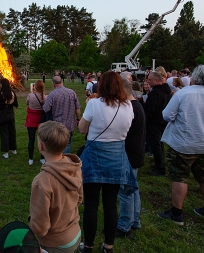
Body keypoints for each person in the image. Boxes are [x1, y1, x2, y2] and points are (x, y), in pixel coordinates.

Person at [78, 71, 137, 253]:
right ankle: (108, 246)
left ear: (101, 86)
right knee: (111, 204)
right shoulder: (128, 106)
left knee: (91, 205)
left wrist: (89, 107)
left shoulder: (94, 104)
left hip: (95, 156)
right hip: (116, 158)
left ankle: (88, 245)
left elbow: (81, 129)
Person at [158, 65, 204, 225]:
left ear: (193, 78)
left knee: (179, 177)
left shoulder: (182, 94)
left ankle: (176, 213)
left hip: (183, 144)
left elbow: (167, 115)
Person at [29, 121, 82, 253]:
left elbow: (40, 226)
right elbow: (79, 199)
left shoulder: (41, 182)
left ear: (40, 146)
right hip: (75, 233)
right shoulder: (74, 167)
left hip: (55, 244)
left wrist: (32, 223)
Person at [116, 77, 146, 238]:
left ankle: (124, 226)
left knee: (125, 192)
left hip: (128, 155)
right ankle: (135, 221)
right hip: (135, 153)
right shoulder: (137, 105)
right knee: (133, 190)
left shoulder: (130, 108)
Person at [42, 75, 81, 154]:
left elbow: (46, 109)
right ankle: (65, 160)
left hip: (57, 126)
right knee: (68, 143)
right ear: (62, 82)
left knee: (57, 145)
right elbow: (77, 108)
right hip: (69, 124)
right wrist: (78, 119)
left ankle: (59, 161)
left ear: (53, 84)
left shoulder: (52, 94)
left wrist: (44, 101)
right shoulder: (72, 92)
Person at [145, 71, 171, 176]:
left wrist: (146, 117)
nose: (148, 81)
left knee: (155, 144)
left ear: (156, 80)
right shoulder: (167, 91)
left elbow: (150, 110)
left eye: (150, 80)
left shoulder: (155, 93)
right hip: (163, 121)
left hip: (154, 122)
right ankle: (159, 163)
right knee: (159, 144)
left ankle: (160, 168)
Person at [0, 78, 18, 159]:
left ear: (2, 85)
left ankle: (6, 152)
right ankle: (14, 149)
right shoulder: (13, 93)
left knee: (4, 133)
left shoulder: (1, 94)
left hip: (3, 115)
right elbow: (16, 104)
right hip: (11, 114)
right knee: (12, 131)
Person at [25, 80, 47, 165]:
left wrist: (31, 93)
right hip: (41, 119)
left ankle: (30, 159)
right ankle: (42, 158)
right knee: (42, 139)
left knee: (31, 139)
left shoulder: (30, 96)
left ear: (35, 87)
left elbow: (27, 103)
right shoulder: (45, 97)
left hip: (31, 119)